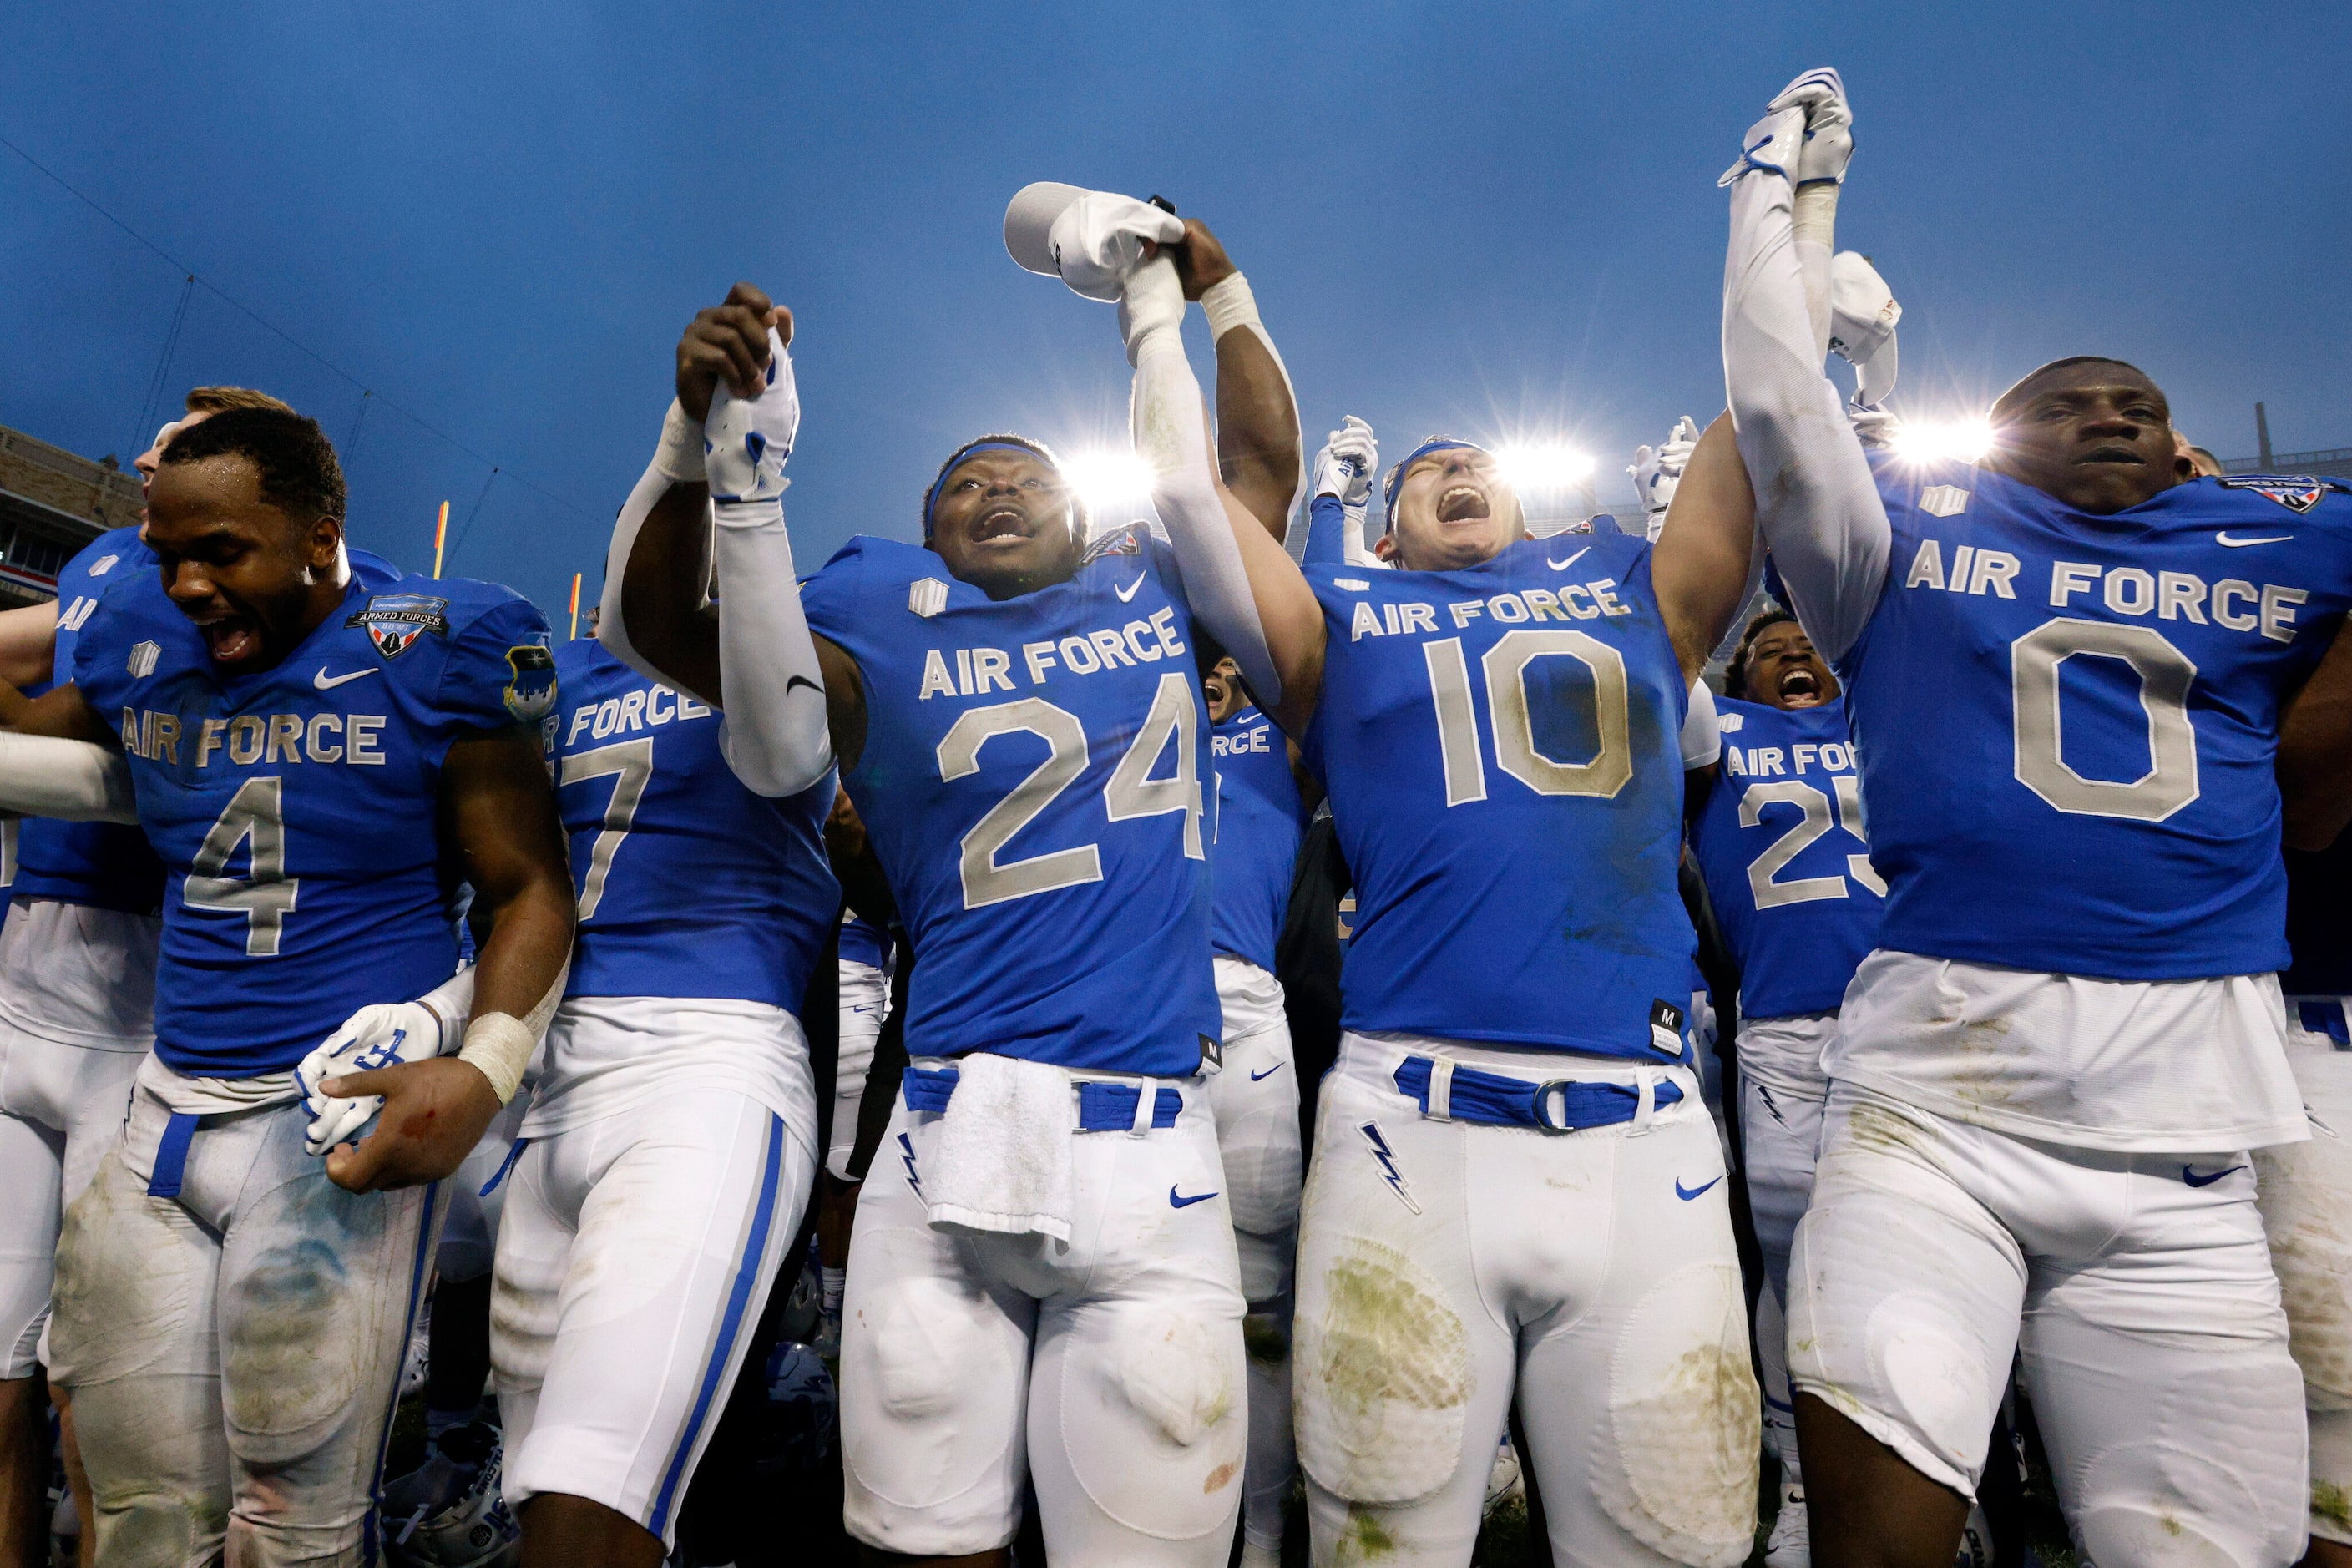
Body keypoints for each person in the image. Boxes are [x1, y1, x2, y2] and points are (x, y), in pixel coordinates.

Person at [599, 186, 1320, 1565]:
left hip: (1149, 1131)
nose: (992, 490)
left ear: (1079, 507)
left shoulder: (1155, 579)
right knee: (921, 1541)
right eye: (962, 484)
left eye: (1022, 475)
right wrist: (696, 443)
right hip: (942, 1129)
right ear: (925, 527)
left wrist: (1215, 296)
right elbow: (667, 629)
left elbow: (1256, 466)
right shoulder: (872, 606)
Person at [1710, 66, 2352, 1568]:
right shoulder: (1907, 536)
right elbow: (1772, 401)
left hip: (2187, 1139)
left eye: (2136, 403)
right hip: (1936, 1105)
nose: (2106, 416)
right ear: (1994, 444)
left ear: (2187, 442)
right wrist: (1778, 200)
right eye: (2060, 404)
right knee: (1877, 1536)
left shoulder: (2281, 539)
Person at [0, 405, 575, 1566]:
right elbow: (42, 726)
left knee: (294, 1527)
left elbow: (529, 888)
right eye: (167, 556)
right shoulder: (138, 637)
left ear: (321, 538)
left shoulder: (433, 643)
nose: (190, 586)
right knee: (144, 1519)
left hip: (327, 1126)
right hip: (158, 1112)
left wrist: (486, 1065)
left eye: (221, 552)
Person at [484, 624, 837, 1568]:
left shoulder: (783, 652)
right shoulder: (553, 675)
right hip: (549, 1073)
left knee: (594, 1494)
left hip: (705, 1062)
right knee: (539, 1482)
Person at [1685, 609, 1883, 1568]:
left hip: (1918, 1019)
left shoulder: (1882, 710)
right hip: (1784, 1026)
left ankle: (1969, 1466)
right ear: (1740, 680)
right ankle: (1805, 1480)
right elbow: (1674, 661)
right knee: (1797, 1262)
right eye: (1769, 653)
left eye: (1807, 647)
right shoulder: (1719, 737)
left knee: (1938, 1249)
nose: (1794, 658)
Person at [1202, 651, 1318, 1568]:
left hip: (1245, 1014)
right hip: (1122, 1013)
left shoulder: (1272, 743)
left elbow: (1311, 658)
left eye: (1224, 657)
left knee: (1262, 1307)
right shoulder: (1109, 721)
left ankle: (1268, 1537)